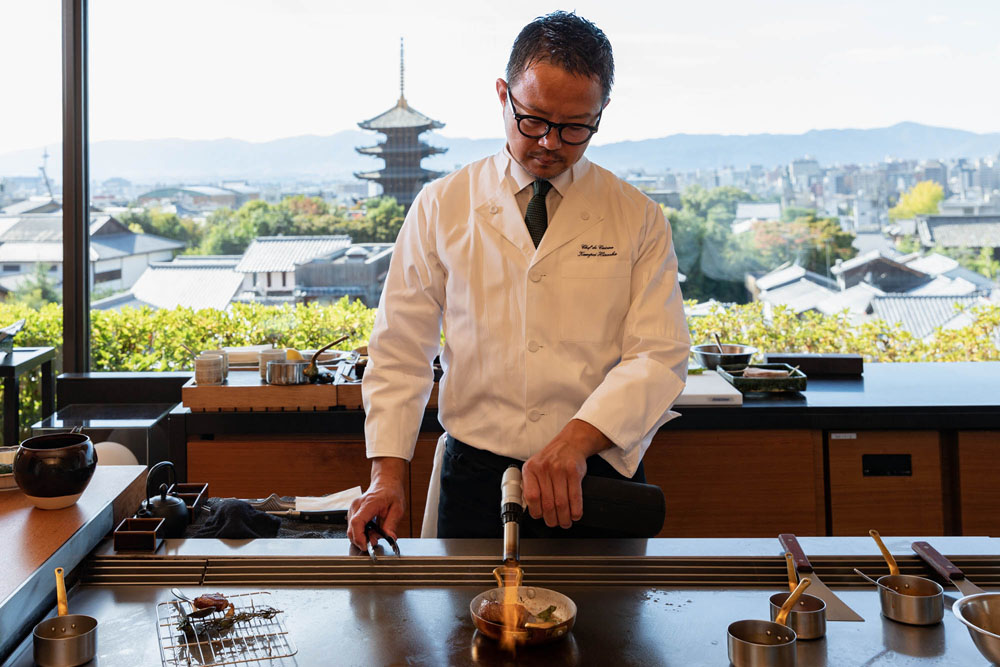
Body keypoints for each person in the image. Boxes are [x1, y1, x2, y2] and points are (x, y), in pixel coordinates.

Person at [348, 10, 690, 548]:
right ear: (504, 94)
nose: (551, 143)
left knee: (610, 630)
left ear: (602, 113)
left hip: (594, 475)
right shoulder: (443, 205)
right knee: (464, 629)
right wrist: (385, 476)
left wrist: (573, 442)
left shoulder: (637, 215)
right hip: (475, 480)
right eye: (533, 119)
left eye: (576, 127)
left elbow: (659, 354)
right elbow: (400, 350)